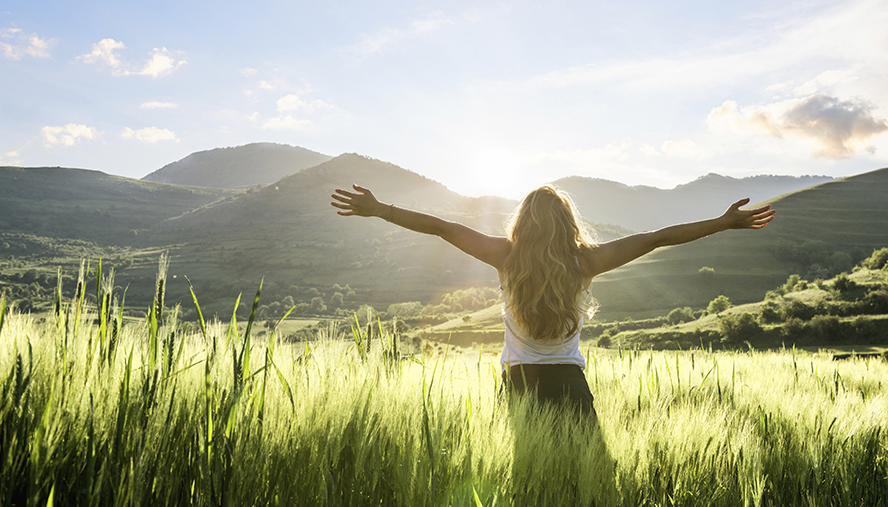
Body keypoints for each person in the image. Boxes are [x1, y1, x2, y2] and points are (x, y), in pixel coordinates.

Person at [331, 183, 775, 419]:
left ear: (522, 223)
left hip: (518, 384)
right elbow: (657, 238)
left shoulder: (504, 256)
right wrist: (721, 223)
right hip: (570, 385)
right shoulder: (587, 261)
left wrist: (382, 209)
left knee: (527, 480)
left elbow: (444, 227)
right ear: (568, 223)